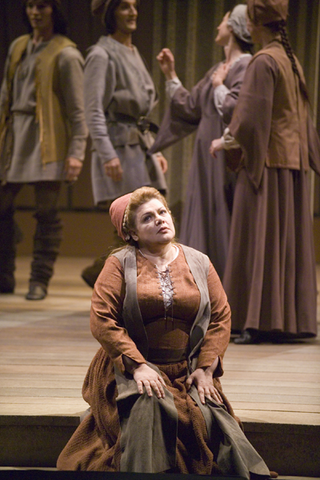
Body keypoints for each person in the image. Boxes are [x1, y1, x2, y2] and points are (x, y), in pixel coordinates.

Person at [56, 186, 273, 478]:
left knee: (211, 414)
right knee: (149, 406)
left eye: (162, 212)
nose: (159, 220)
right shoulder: (119, 264)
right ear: (132, 233)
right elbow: (102, 319)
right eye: (147, 218)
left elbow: (221, 316)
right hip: (130, 365)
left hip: (187, 368)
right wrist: (139, 365)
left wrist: (207, 367)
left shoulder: (199, 261)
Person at [209, 0, 320, 344]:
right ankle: (284, 319)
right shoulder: (289, 59)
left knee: (257, 239)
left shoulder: (263, 61)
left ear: (256, 24)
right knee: (282, 243)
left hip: (268, 165)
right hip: (293, 167)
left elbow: (251, 120)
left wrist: (224, 143)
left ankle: (252, 320)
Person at [150, 4, 253, 279]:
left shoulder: (247, 66)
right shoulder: (217, 68)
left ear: (232, 27)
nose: (218, 26)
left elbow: (240, 111)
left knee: (223, 213)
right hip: (205, 154)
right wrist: (170, 75)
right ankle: (199, 284)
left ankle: (228, 286)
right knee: (205, 213)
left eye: (222, 21)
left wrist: (221, 86)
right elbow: (190, 106)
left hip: (226, 152)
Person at [0, 0, 87, 300]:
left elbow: (78, 110)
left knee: (46, 212)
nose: (35, 12)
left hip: (46, 139)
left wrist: (76, 152)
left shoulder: (66, 53)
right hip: (14, 136)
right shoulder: (18, 46)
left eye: (42, 6)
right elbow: (5, 95)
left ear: (54, 11)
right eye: (30, 6)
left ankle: (39, 279)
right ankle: (4, 275)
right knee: (3, 206)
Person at [81, 0, 168, 288]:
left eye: (134, 6)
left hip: (140, 148)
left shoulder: (131, 51)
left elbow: (141, 113)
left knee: (140, 226)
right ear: (110, 14)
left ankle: (104, 276)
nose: (132, 12)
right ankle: (111, 281)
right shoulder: (102, 54)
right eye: (124, 7)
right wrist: (106, 154)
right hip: (118, 149)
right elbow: (93, 110)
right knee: (129, 227)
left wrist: (155, 149)